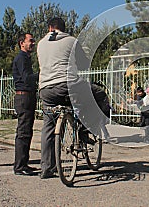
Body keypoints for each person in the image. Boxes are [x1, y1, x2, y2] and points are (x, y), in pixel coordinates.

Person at [37, 17, 89, 179]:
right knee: (91, 96)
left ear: (50, 27)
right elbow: (83, 64)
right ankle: (84, 130)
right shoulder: (71, 41)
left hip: (46, 89)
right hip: (67, 86)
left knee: (48, 126)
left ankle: (46, 167)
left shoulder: (40, 43)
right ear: (63, 28)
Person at [12, 32, 38, 176]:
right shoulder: (21, 58)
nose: (33, 43)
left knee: (27, 131)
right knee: (23, 132)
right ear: (22, 43)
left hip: (27, 96)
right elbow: (27, 78)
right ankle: (19, 166)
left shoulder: (26, 58)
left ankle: (24, 163)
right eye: (30, 41)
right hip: (24, 97)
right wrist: (42, 74)